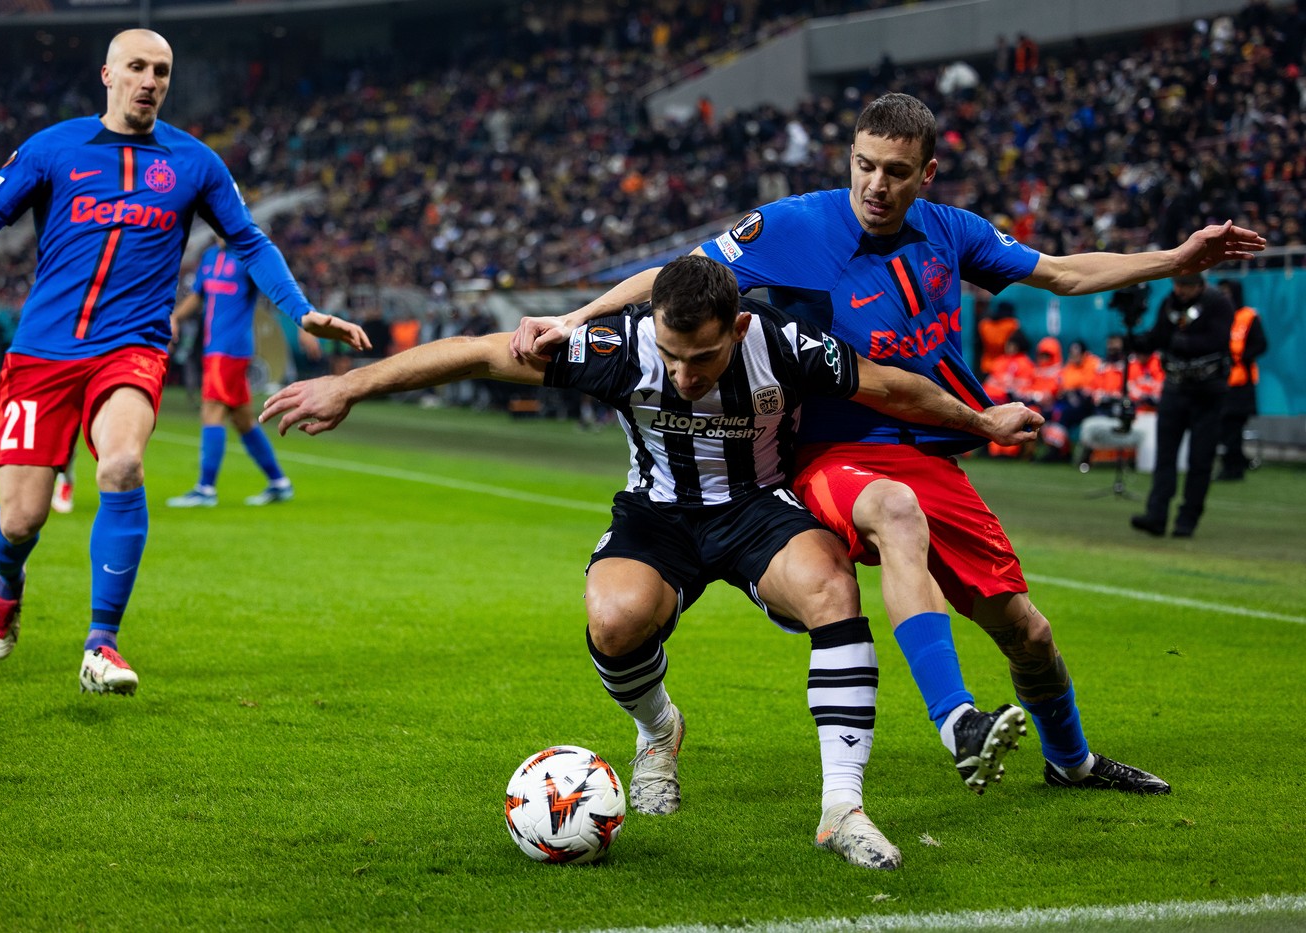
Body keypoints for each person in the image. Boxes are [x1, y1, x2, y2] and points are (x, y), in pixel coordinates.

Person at [514, 93, 1266, 795]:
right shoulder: (796, 226)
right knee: (896, 513)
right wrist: (574, 319)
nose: (875, 184)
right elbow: (678, 276)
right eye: (863, 165)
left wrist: (1175, 259)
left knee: (1026, 631)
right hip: (835, 455)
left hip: (931, 448)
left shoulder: (953, 231)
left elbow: (1063, 273)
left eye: (896, 171)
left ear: (926, 173)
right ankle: (957, 719)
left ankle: (1070, 761)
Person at [262, 255, 1042, 870]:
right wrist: (351, 388)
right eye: (671, 355)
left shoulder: (783, 344)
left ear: (736, 328)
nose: (683, 375)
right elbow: (475, 355)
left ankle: (843, 809)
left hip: (755, 509)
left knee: (832, 588)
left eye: (701, 358)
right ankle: (658, 729)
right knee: (613, 618)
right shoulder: (616, 345)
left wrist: (982, 421)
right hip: (656, 515)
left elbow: (893, 388)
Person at [0, 29, 369, 695]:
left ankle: (102, 642)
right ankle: (7, 582)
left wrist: (300, 310)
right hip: (42, 354)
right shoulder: (52, 149)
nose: (150, 79)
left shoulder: (194, 162)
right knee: (21, 520)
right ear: (108, 74)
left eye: (162, 70)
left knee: (122, 463)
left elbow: (248, 238)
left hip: (132, 349)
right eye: (137, 67)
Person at [165, 240, 310, 508]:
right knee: (242, 420)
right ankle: (279, 483)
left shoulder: (248, 256)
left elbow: (276, 289)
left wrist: (304, 323)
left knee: (212, 411)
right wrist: (175, 317)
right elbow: (198, 295)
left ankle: (205, 489)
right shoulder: (209, 257)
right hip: (213, 348)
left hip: (231, 350)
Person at [1128, 272, 1236, 538]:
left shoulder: (1218, 304)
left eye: (1185, 286)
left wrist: (1179, 342)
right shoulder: (1170, 302)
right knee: (1166, 457)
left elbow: (1217, 340)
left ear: (1199, 285)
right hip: (1175, 388)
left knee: (1200, 458)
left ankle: (1187, 520)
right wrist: (1136, 335)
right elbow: (1158, 337)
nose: (1180, 291)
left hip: (1208, 392)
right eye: (1177, 285)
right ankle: (1156, 515)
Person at [1214, 279, 1268, 481]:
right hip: (1220, 381)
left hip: (1241, 383)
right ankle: (1235, 462)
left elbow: (1261, 344)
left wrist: (1241, 357)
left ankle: (1234, 468)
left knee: (1233, 426)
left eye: (1227, 292)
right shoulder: (1219, 316)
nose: (1224, 296)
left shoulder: (1248, 316)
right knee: (1222, 427)